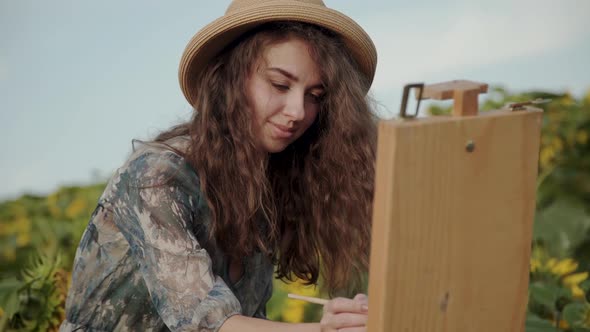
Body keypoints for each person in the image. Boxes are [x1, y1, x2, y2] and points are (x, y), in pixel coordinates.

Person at [60, 0, 378, 331]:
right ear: (231, 79)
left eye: (314, 95)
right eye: (280, 85)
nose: (298, 111)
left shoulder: (268, 184)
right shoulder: (157, 175)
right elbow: (208, 323)